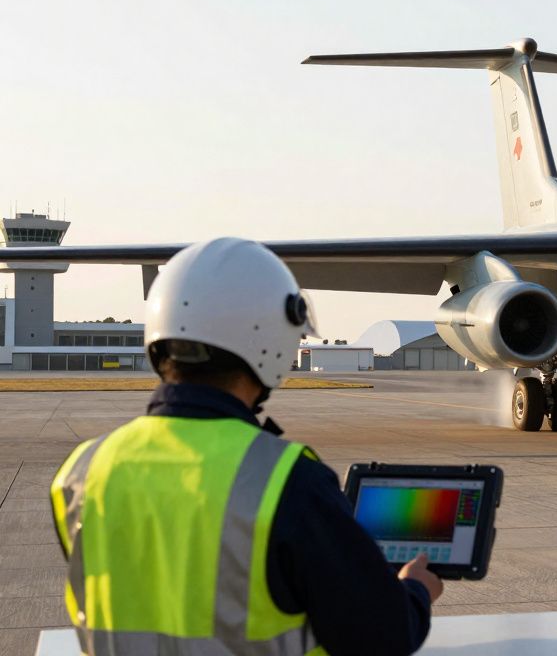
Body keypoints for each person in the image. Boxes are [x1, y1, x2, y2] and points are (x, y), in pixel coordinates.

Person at [50, 238, 443, 655]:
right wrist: (415, 591)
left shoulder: (83, 471)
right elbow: (382, 636)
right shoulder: (286, 481)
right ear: (273, 341)